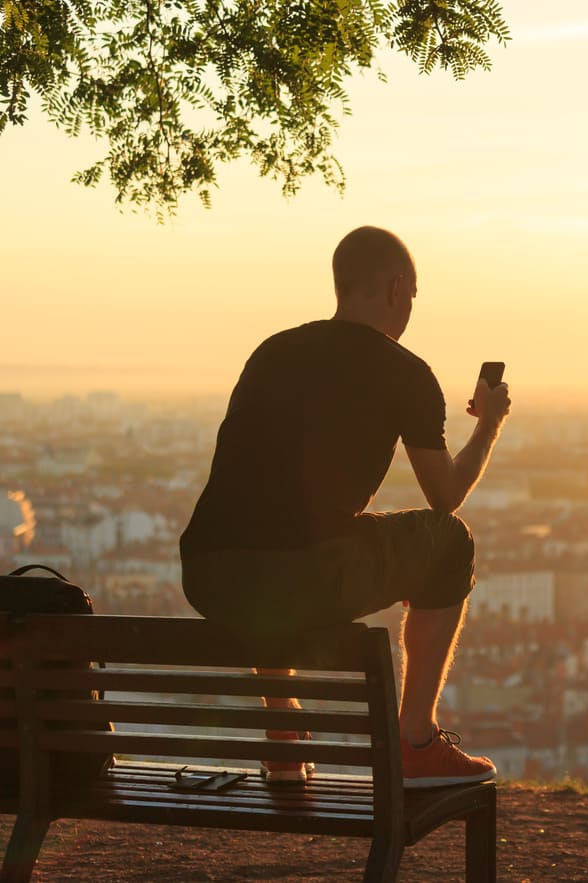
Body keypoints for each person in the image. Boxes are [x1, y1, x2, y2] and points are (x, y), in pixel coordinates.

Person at [180, 225, 511, 788]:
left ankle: (284, 738)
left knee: (276, 545)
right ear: (395, 287)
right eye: (412, 295)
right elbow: (446, 496)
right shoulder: (406, 372)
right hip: (304, 575)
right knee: (451, 542)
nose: (410, 308)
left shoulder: (272, 351)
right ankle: (416, 740)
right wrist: (491, 425)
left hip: (209, 573)